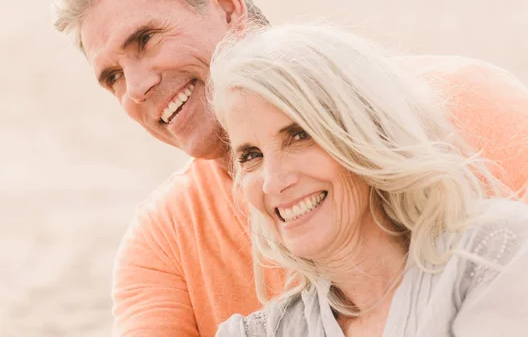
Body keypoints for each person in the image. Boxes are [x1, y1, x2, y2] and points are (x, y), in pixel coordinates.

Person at [48, 0, 528, 335]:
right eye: (111, 77)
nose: (135, 88)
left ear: (227, 7)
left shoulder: (470, 101)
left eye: (146, 39)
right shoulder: (164, 239)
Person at [209, 24, 528, 336]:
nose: (273, 182)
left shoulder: (494, 251)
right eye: (251, 155)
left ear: (368, 129)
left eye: (299, 135)